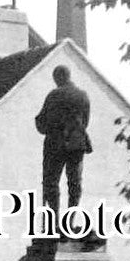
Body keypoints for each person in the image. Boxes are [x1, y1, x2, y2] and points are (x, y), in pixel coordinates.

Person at [35, 64, 93, 211]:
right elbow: (85, 122)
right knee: (75, 183)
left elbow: (42, 121)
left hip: (55, 144)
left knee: (51, 182)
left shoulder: (54, 95)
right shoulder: (82, 95)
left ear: (59, 77)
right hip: (76, 143)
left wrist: (47, 127)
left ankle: (54, 218)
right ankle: (70, 219)